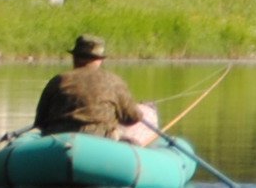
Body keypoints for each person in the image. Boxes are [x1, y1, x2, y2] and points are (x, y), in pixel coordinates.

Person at [34, 35, 162, 145]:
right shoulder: (114, 81)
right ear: (100, 60)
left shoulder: (58, 80)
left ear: (75, 58)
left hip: (58, 141)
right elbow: (132, 118)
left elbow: (40, 121)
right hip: (100, 140)